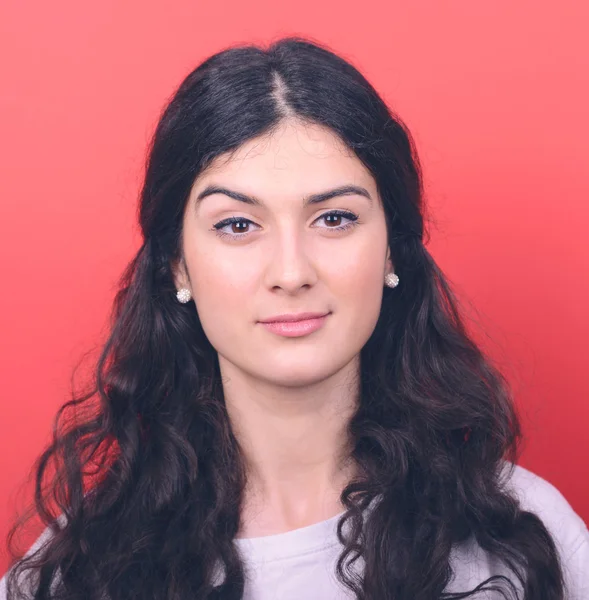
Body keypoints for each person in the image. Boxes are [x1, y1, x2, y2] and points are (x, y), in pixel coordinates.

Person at [1, 35, 588, 600]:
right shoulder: (84, 569)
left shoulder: (524, 535)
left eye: (334, 219)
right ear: (178, 266)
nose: (290, 271)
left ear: (391, 249)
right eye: (237, 225)